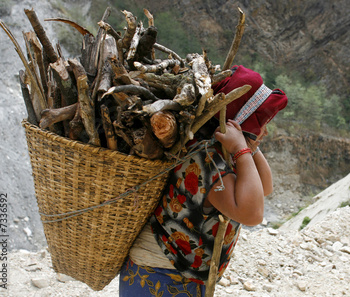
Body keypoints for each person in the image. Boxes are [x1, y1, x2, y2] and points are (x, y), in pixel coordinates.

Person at [119, 65, 288, 296]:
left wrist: (248, 146)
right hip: (160, 275)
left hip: (177, 274)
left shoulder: (224, 153)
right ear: (241, 121)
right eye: (261, 124)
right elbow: (253, 214)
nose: (265, 132)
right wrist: (241, 147)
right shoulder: (205, 157)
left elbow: (265, 187)